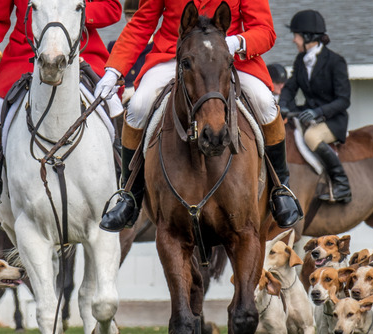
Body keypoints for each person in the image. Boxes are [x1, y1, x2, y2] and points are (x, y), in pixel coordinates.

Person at [96, 0, 302, 231]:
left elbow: (265, 30)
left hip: (227, 58)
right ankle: (129, 196)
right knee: (138, 107)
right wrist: (114, 70)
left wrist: (236, 42)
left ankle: (280, 189)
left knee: (266, 104)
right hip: (176, 57)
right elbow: (141, 24)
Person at [0, 0, 123, 224]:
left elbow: (112, 7)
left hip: (80, 48)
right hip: (26, 52)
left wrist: (77, 12)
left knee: (113, 104)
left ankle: (124, 181)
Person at [279, 9, 351, 203]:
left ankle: (341, 183)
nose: (294, 40)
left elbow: (344, 100)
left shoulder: (336, 62)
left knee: (311, 137)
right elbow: (290, 87)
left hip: (333, 120)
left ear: (308, 36)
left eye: (296, 35)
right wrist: (283, 104)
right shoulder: (301, 60)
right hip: (307, 116)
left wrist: (318, 112)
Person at [107, 0, 153, 103]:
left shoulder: (156, 47)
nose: (132, 20)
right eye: (129, 15)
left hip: (145, 97)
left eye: (136, 15)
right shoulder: (113, 46)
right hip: (120, 98)